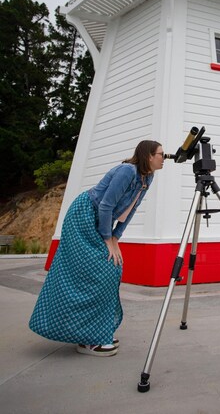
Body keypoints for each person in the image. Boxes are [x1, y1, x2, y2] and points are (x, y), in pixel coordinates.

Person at [29, 140, 164, 357]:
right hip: (84, 214)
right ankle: (88, 338)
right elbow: (106, 205)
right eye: (161, 154)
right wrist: (106, 238)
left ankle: (96, 332)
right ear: (149, 155)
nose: (164, 158)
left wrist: (116, 237)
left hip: (101, 221)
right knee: (98, 272)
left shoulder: (147, 178)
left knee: (111, 269)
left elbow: (131, 210)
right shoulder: (127, 171)